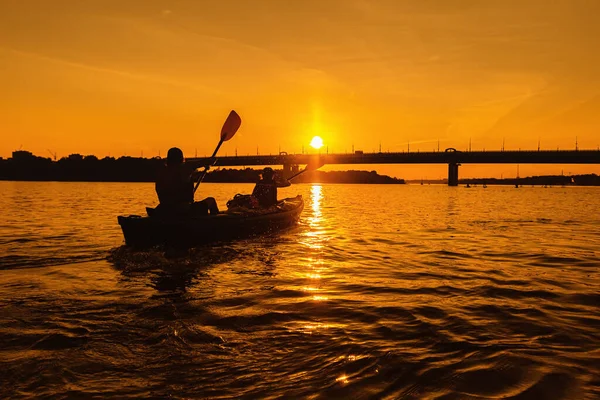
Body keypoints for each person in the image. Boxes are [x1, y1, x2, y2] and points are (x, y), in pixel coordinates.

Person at [155, 147, 219, 216]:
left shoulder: (162, 173)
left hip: (165, 210)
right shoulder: (182, 169)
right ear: (181, 159)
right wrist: (210, 161)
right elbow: (197, 164)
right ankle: (217, 222)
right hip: (183, 211)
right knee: (211, 201)